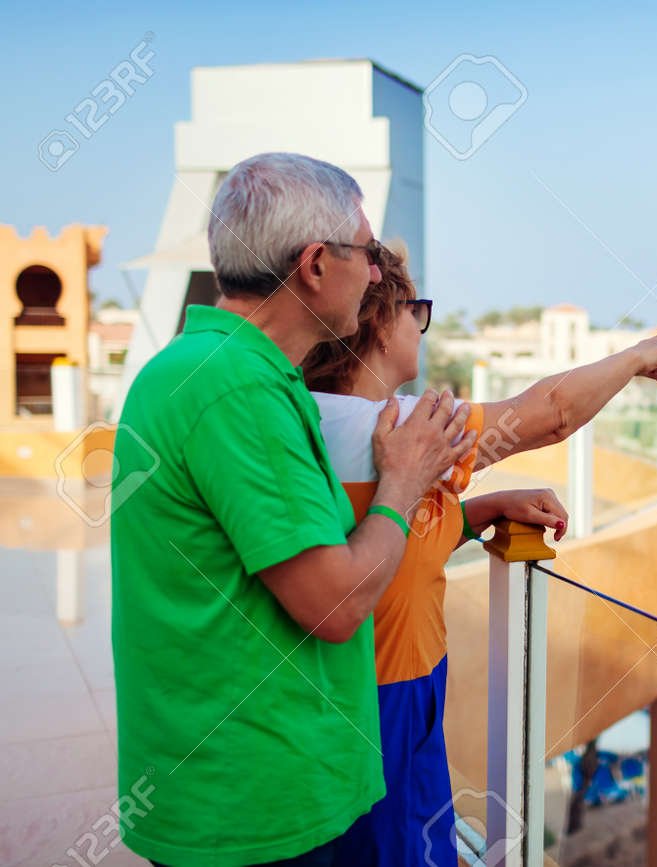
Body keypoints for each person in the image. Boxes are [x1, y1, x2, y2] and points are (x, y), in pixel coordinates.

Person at [111, 153, 474, 866]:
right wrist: (403, 479)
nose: (376, 275)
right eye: (367, 254)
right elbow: (335, 604)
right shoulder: (238, 392)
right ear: (315, 264)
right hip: (256, 812)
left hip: (227, 792)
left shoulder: (193, 370)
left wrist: (473, 511)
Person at [300, 243, 657, 866]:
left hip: (334, 701)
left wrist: (478, 511)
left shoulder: (304, 422)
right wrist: (639, 356)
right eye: (415, 310)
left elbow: (384, 541)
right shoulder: (400, 427)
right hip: (388, 701)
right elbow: (550, 415)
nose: (420, 326)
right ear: (379, 323)